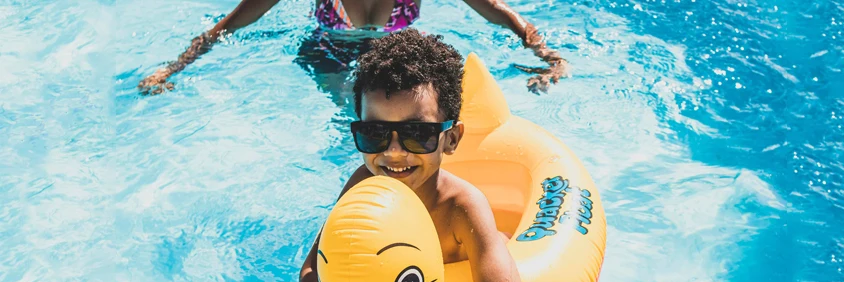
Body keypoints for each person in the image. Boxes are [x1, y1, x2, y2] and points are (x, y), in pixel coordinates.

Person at [298, 29, 592, 282]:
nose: (393, 153)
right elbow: (312, 269)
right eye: (374, 133)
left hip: (499, 271)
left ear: (451, 139)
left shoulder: (461, 207)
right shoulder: (362, 184)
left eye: (417, 134)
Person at [137, 0, 569, 96]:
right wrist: (172, 69)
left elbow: (500, 13)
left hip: (397, 49)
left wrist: (548, 57)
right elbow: (229, 25)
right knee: (359, 117)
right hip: (327, 51)